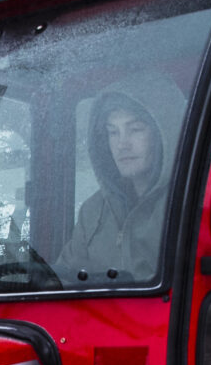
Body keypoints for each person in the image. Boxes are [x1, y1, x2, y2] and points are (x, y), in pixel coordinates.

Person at [60, 91, 171, 281]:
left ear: (162, 135)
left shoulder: (198, 204)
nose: (122, 145)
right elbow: (61, 280)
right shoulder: (93, 210)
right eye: (113, 132)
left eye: (135, 130)